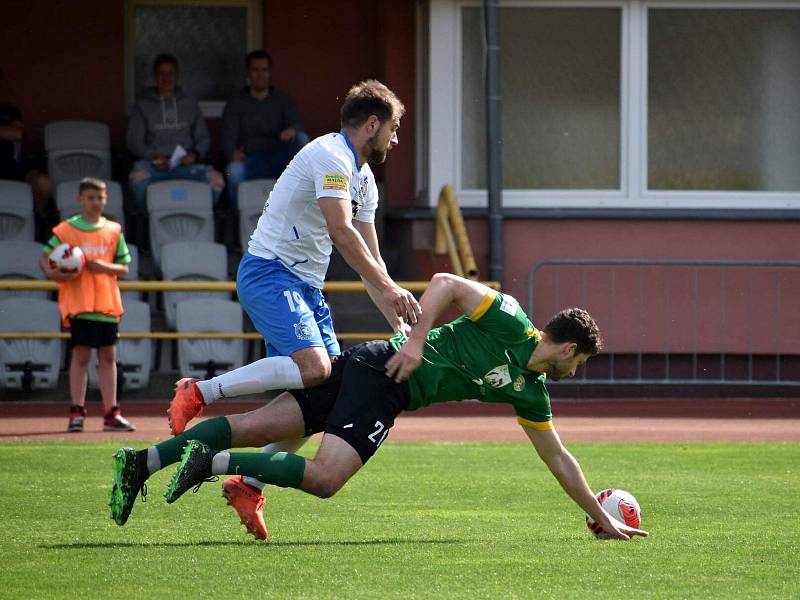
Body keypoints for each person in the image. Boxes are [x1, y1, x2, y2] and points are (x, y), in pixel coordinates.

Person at [109, 273, 649, 544]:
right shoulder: (509, 317)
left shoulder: (531, 392)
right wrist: (417, 340)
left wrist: (601, 519)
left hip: (371, 372)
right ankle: (213, 465)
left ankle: (141, 463)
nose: (574, 375)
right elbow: (444, 284)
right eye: (579, 364)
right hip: (384, 375)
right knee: (324, 478)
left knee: (253, 427)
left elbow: (559, 459)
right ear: (570, 348)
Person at [167, 79, 421, 444]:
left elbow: (372, 261)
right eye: (394, 128)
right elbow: (340, 230)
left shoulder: (364, 179)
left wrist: (400, 329)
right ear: (372, 124)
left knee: (326, 393)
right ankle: (199, 392)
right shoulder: (330, 156)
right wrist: (390, 288)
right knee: (317, 369)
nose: (395, 140)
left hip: (306, 287)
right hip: (270, 271)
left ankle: (249, 483)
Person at [39, 178, 135, 433]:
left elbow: (124, 267)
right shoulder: (66, 230)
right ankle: (77, 412)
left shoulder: (114, 230)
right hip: (79, 303)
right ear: (80, 199)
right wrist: (58, 274)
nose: (96, 202)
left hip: (106, 302)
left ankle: (111, 412)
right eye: (91, 197)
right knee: (81, 354)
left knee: (108, 356)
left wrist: (104, 267)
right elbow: (46, 260)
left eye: (100, 198)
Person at [126, 53, 224, 211]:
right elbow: (134, 141)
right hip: (154, 166)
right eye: (161, 74)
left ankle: (200, 217)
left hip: (185, 165)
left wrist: (193, 155)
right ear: (154, 76)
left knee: (216, 180)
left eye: (170, 73)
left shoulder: (189, 103)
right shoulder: (143, 104)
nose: (166, 78)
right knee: (137, 180)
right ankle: (148, 222)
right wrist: (153, 157)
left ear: (177, 75)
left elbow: (203, 138)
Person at [222, 50, 309, 210]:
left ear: (270, 73)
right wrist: (232, 153)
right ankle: (238, 217)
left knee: (302, 138)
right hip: (250, 161)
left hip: (279, 160)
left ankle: (303, 210)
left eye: (264, 70)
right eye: (255, 70)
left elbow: (298, 127)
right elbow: (227, 137)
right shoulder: (236, 102)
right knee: (233, 172)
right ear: (248, 73)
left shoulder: (282, 100)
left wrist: (292, 130)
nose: (260, 75)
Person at [0, 102, 53, 216]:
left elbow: (17, 133)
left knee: (44, 182)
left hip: (15, 171)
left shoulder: (10, 114)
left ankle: (36, 218)